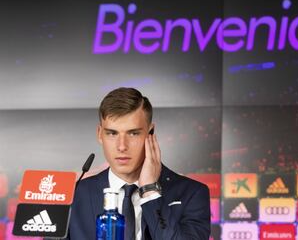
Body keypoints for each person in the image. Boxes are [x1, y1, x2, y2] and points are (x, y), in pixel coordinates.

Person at [68, 87, 210, 239]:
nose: (122, 146)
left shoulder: (192, 193)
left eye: (133, 133)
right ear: (100, 134)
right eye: (112, 133)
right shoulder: (73, 195)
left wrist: (149, 191)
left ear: (151, 132)